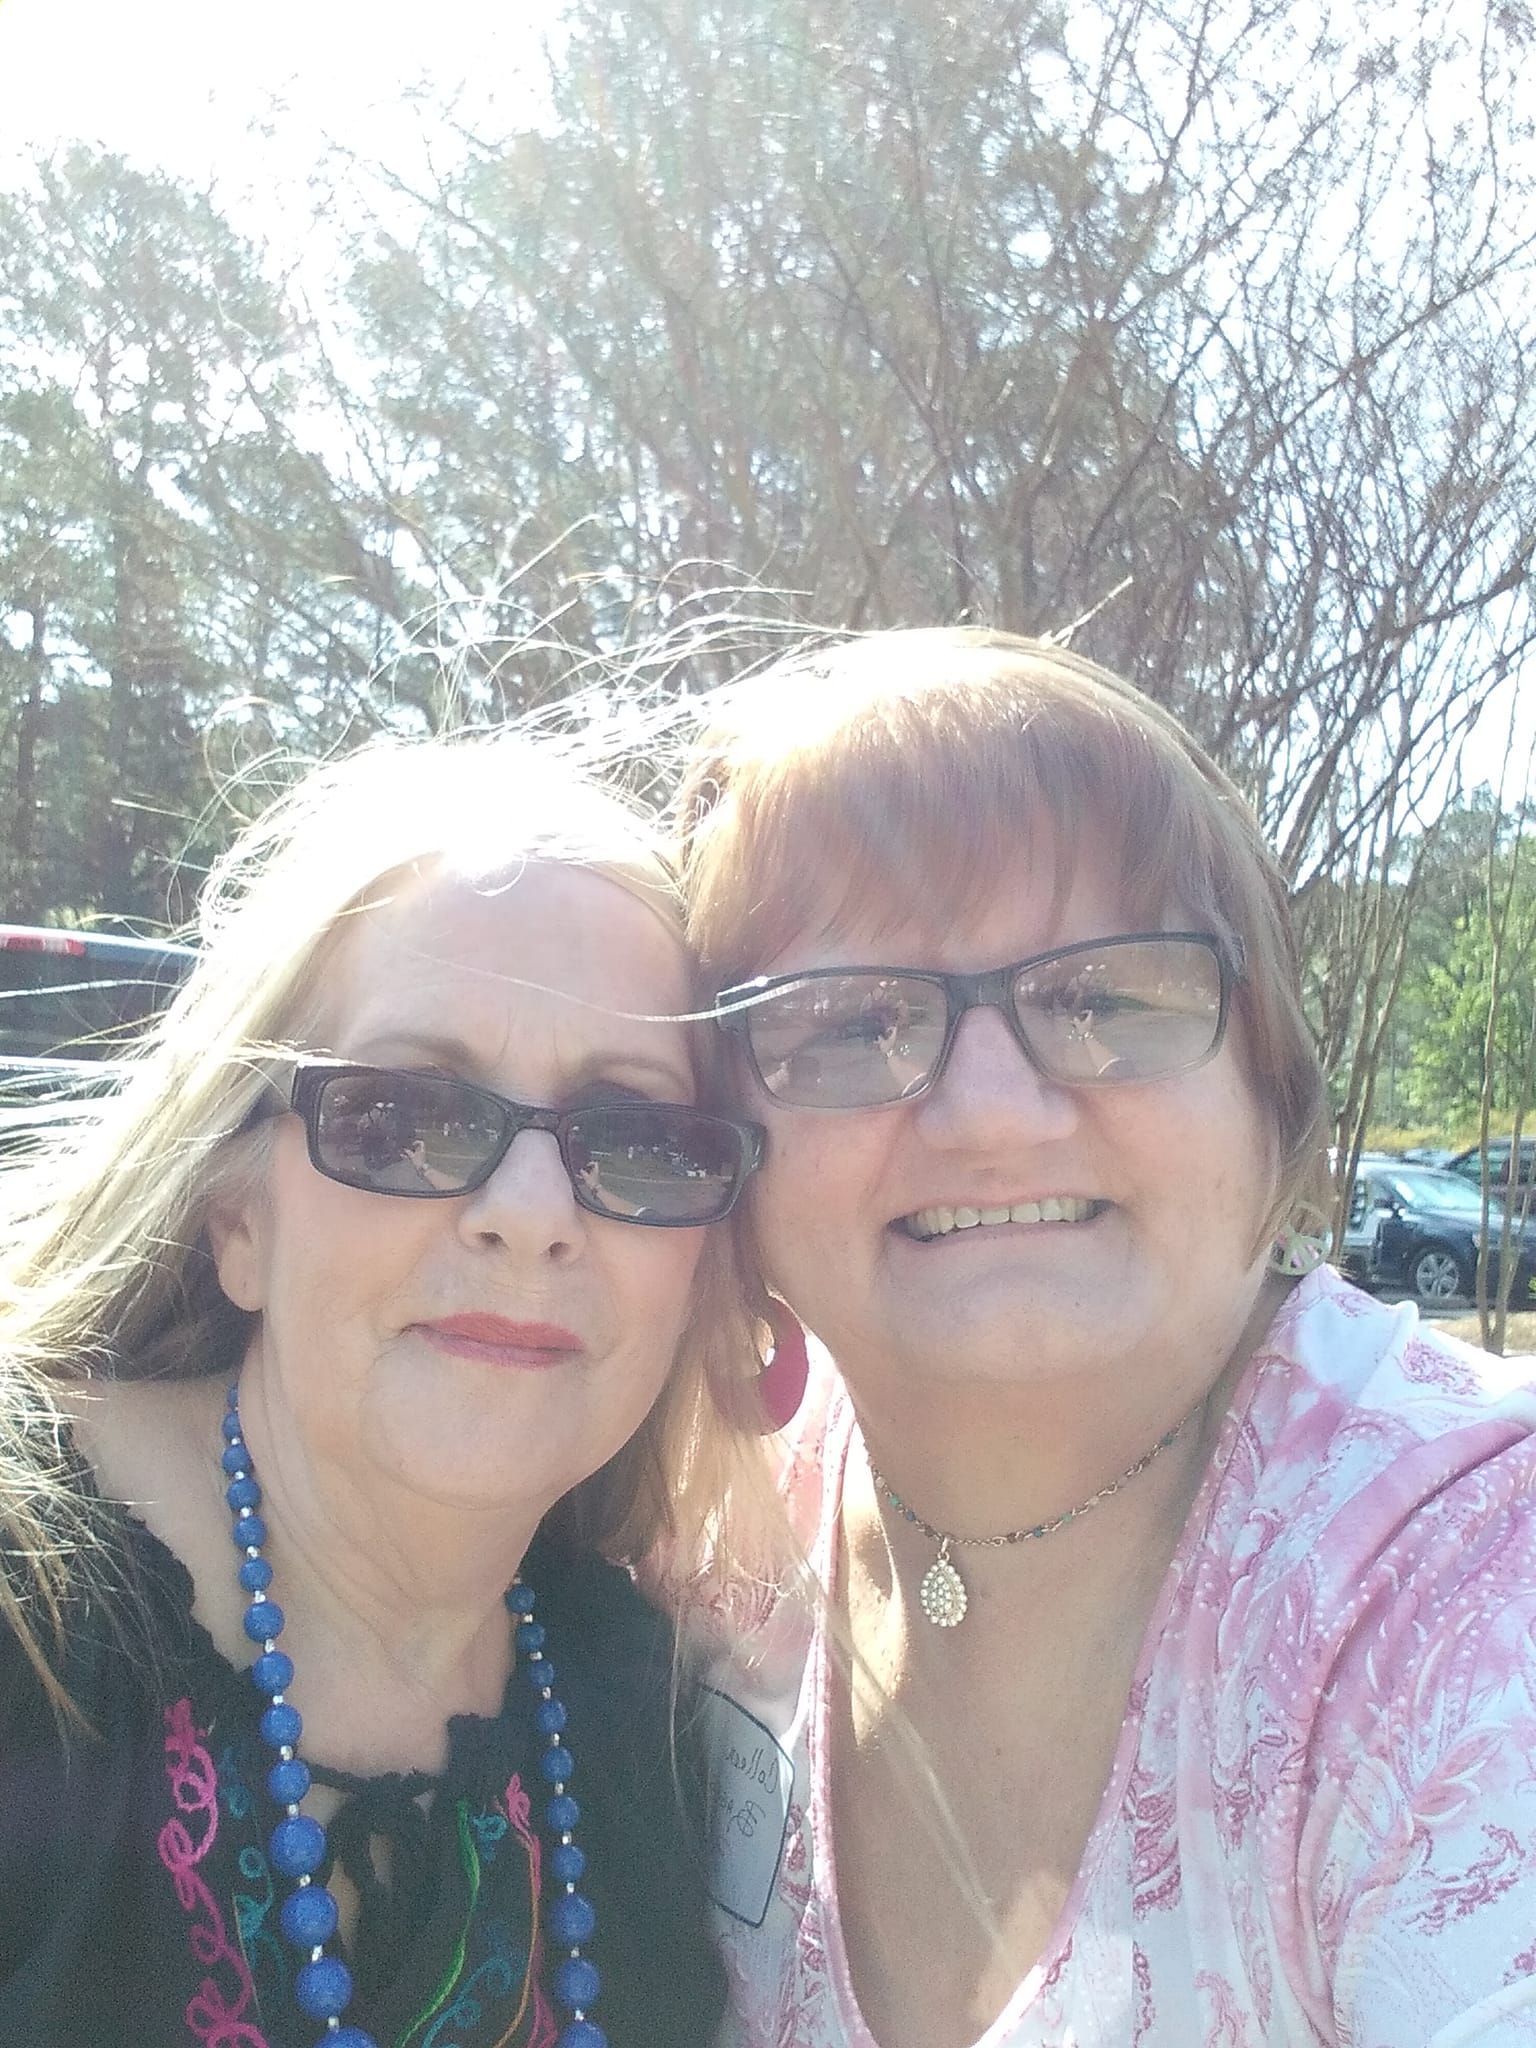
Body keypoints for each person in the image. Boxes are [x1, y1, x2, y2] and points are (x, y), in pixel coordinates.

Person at [675, 629, 1536, 2048]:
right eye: (851, 1023)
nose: (991, 1114)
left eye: (1106, 998)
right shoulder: (700, 1541)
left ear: (1267, 1079)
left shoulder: (1466, 1590)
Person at [0, 732, 771, 2048]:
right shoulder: (30, 1620)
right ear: (239, 1216)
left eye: (635, 1137)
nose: (531, 1213)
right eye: (406, 1116)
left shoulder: (658, 1717)